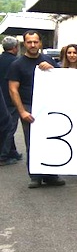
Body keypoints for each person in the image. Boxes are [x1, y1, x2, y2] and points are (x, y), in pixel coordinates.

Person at [6, 30, 67, 188]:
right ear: (24, 44)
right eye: (29, 42)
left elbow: (62, 79)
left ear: (40, 43)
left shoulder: (49, 60)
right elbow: (13, 89)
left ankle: (51, 175)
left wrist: (52, 69)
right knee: (32, 142)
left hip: (49, 106)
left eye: (35, 42)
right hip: (29, 106)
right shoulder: (17, 64)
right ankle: (35, 176)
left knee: (51, 140)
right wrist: (22, 111)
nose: (32, 45)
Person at [0, 36, 23, 166]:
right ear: (15, 48)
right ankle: (3, 155)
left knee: (6, 124)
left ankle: (12, 151)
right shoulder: (16, 62)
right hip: (11, 98)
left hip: (1, 97)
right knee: (10, 126)